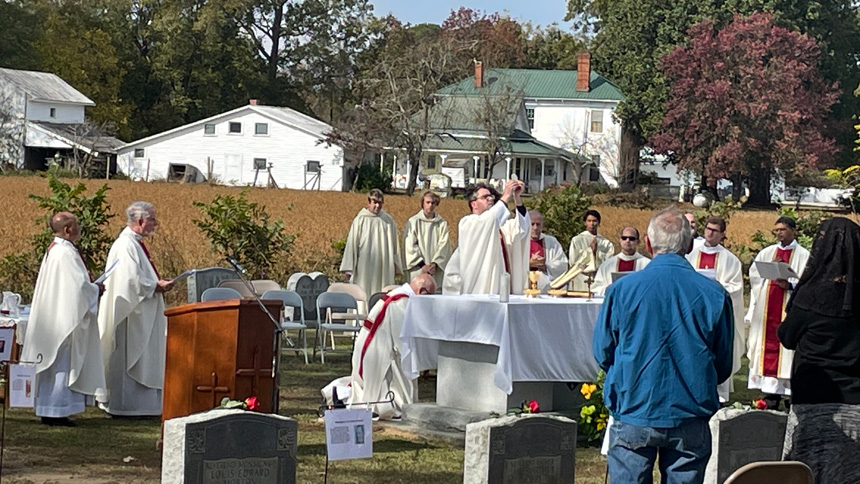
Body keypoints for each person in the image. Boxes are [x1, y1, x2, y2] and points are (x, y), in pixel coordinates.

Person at [593, 207, 734, 483]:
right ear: (690, 244)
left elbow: (603, 352)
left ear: (647, 243)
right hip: (689, 410)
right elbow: (723, 361)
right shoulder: (714, 293)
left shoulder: (622, 290)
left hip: (635, 404)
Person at [779, 217, 860, 483]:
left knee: (805, 474)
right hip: (854, 401)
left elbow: (787, 337)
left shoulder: (811, 297)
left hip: (811, 400)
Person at [21, 212, 105, 426]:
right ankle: (55, 410)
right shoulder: (64, 253)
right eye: (76, 225)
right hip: (63, 319)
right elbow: (77, 288)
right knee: (61, 364)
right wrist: (96, 289)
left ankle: (52, 409)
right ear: (67, 229)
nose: (79, 229)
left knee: (56, 364)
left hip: (56, 314)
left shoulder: (57, 249)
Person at [97, 201, 174, 416]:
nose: (156, 224)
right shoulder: (125, 245)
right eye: (152, 220)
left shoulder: (135, 243)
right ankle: (126, 406)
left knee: (147, 356)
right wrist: (154, 286)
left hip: (143, 310)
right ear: (140, 221)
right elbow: (127, 280)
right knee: (129, 356)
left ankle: (144, 405)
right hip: (131, 314)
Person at [347, 274, 436, 419]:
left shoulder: (399, 295)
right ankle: (401, 406)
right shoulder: (400, 301)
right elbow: (402, 340)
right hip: (376, 348)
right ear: (422, 291)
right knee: (403, 363)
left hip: (372, 343)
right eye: (430, 295)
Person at [746, 216, 810, 409]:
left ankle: (790, 394)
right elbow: (755, 276)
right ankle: (770, 395)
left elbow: (808, 282)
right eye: (776, 230)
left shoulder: (803, 255)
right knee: (766, 347)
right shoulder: (767, 252)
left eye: (782, 229)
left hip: (788, 307)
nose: (779, 233)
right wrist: (768, 276)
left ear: (793, 230)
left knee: (787, 352)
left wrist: (789, 284)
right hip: (767, 307)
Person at [685, 216, 746, 402]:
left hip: (717, 315)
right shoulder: (691, 255)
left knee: (718, 349)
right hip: (695, 314)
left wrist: (717, 287)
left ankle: (720, 393)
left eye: (714, 230)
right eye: (708, 229)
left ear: (722, 234)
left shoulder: (730, 260)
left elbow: (735, 288)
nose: (709, 233)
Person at [442, 180, 529, 295]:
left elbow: (522, 229)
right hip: (479, 287)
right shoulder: (468, 223)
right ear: (473, 204)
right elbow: (488, 220)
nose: (490, 199)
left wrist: (517, 198)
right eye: (485, 197)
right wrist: (506, 195)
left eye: (491, 196)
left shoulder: (501, 226)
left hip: (502, 286)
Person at [340, 189, 403, 300]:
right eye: (375, 202)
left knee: (383, 290)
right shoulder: (360, 220)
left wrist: (396, 264)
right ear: (369, 202)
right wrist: (348, 268)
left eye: (380, 203)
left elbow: (394, 245)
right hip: (365, 266)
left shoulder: (388, 221)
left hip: (384, 265)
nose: (377, 206)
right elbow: (352, 244)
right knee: (364, 291)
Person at [403, 191, 451, 289]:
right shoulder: (414, 221)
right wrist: (422, 265)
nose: (430, 205)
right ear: (422, 203)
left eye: (433, 203)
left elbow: (444, 245)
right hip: (418, 268)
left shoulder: (441, 223)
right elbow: (410, 245)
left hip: (435, 270)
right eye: (427, 202)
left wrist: (435, 264)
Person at [592, 226, 650, 296]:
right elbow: (596, 288)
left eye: (632, 238)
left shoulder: (647, 264)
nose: (627, 241)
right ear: (620, 240)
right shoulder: (607, 265)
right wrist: (607, 289)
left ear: (638, 242)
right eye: (624, 238)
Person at [568, 210, 614, 291]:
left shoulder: (606, 243)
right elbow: (573, 261)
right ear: (585, 222)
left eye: (594, 221)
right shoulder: (577, 240)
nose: (592, 224)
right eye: (589, 221)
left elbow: (609, 264)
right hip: (581, 278)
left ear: (599, 223)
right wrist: (590, 252)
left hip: (598, 278)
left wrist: (597, 253)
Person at [527, 210, 568, 289]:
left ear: (542, 226)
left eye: (538, 224)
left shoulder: (552, 242)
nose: (535, 228)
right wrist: (529, 263)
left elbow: (562, 264)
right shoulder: (520, 242)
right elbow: (513, 264)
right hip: (524, 287)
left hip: (546, 289)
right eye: (532, 224)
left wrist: (546, 266)